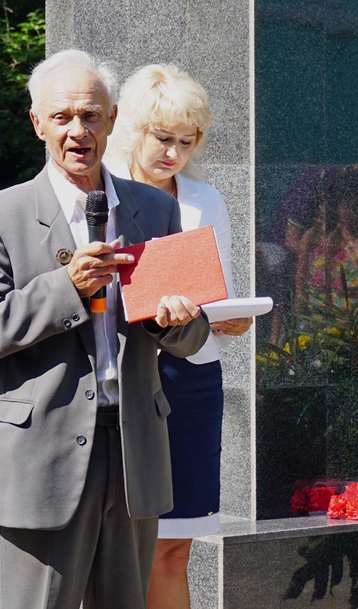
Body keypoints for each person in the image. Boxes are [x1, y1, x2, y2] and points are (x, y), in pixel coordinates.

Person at [0, 50, 210, 609]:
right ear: (37, 123)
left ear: (113, 121)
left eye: (91, 116)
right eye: (62, 117)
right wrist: (65, 287)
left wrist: (177, 322)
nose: (78, 131)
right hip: (41, 455)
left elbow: (193, 337)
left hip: (133, 449)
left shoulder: (153, 209)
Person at [104, 64, 251, 609]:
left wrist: (232, 318)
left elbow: (219, 292)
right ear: (133, 129)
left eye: (187, 142)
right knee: (119, 546)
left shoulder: (206, 200)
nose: (174, 153)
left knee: (174, 548)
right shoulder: (101, 191)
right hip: (123, 378)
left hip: (191, 379)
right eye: (163, 138)